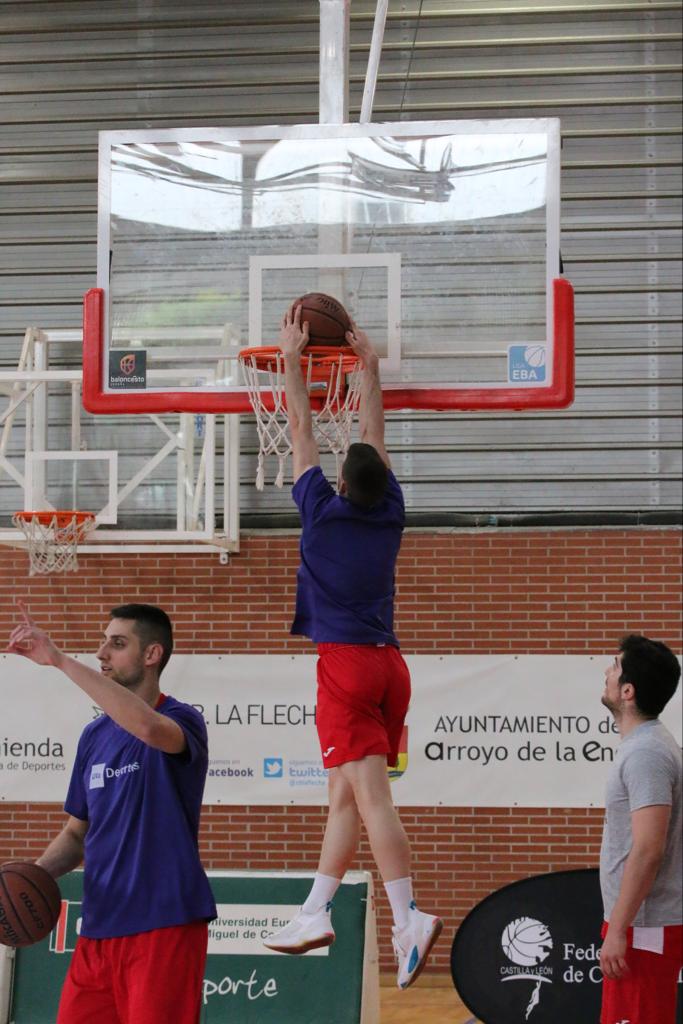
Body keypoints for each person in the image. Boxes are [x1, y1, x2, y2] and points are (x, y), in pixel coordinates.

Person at [263, 303, 442, 989]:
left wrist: (290, 357)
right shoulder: (386, 512)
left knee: (369, 801)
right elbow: (370, 434)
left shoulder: (321, 513)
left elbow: (302, 427)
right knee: (342, 796)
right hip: (388, 666)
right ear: (380, 486)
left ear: (341, 484)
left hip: (345, 666)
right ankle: (315, 910)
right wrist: (367, 369)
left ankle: (408, 915)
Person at [6, 601, 217, 1024]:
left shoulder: (181, 720)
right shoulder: (94, 736)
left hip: (164, 922)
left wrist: (61, 661)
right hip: (99, 928)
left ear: (152, 655)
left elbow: (147, 728)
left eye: (117, 644)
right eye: (103, 643)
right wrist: (30, 882)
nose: (102, 653)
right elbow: (76, 835)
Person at [599, 633, 682, 1024]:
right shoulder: (646, 747)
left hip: (642, 925)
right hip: (637, 921)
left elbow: (649, 848)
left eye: (614, 667)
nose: (607, 671)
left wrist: (619, 929)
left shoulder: (646, 753)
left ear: (627, 690)